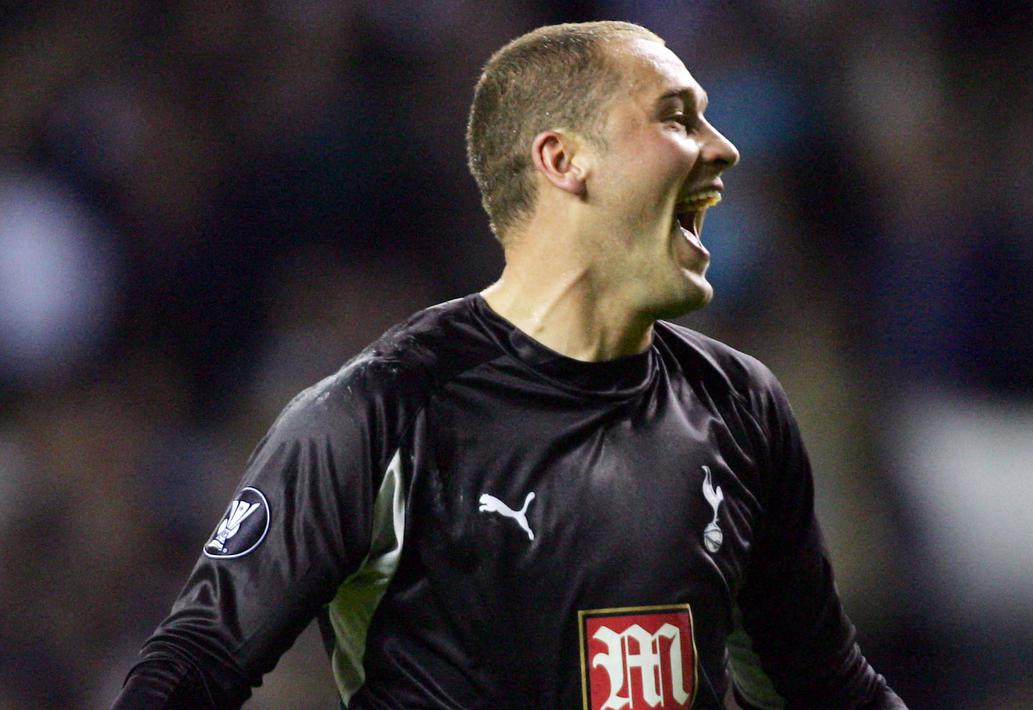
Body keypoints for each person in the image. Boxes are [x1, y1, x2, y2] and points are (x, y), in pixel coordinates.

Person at [112, 21, 906, 709]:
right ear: (564, 161)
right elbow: (198, 662)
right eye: (674, 119)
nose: (720, 149)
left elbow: (822, 687)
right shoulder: (381, 413)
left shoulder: (737, 408)